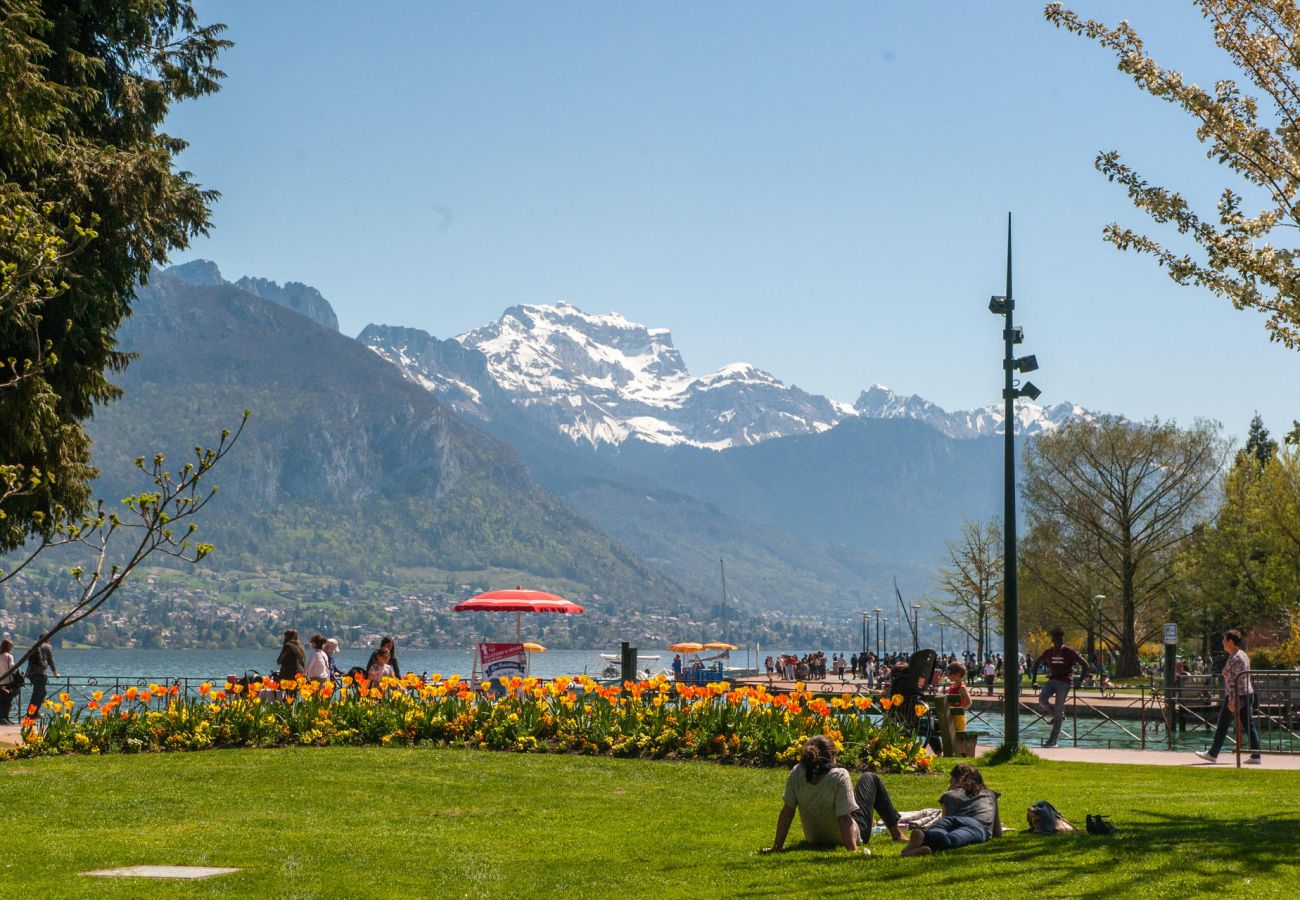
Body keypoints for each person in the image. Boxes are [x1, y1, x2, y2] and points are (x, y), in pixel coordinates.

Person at [761, 735, 906, 855]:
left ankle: (895, 832)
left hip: (814, 838)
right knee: (869, 778)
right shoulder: (839, 776)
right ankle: (897, 835)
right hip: (850, 835)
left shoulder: (797, 772)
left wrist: (777, 847)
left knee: (853, 799)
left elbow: (787, 813)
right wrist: (853, 850)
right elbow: (844, 818)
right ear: (830, 756)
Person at [901, 763, 1003, 857]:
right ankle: (921, 842)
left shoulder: (950, 795)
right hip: (975, 826)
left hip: (951, 820)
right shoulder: (990, 794)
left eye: (951, 780)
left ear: (957, 781)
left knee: (938, 830)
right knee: (951, 840)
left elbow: (944, 819)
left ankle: (923, 836)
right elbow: (997, 832)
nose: (949, 783)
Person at [1196, 629, 1261, 764]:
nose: (1223, 642)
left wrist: (1232, 699)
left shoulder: (1234, 659)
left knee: (1223, 724)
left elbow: (1233, 681)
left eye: (1224, 640)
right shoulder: (1243, 655)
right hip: (1247, 694)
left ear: (1230, 642)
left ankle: (1213, 754)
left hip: (1237, 695)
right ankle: (1256, 755)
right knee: (1249, 725)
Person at [1030, 627, 1089, 748]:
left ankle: (1053, 740)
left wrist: (1080, 682)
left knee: (1058, 709)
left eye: (1060, 639)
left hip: (1064, 682)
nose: (1058, 641)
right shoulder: (1049, 652)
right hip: (1052, 681)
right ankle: (1059, 716)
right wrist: (1034, 681)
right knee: (1042, 700)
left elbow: (1085, 665)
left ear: (1062, 640)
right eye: (1056, 638)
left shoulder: (1069, 652)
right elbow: (1036, 663)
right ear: (1052, 640)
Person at [24, 634, 58, 717]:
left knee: (42, 692)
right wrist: (55, 673)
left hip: (31, 674)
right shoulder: (48, 646)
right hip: (41, 673)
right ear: (48, 639)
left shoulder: (35, 646)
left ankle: (34, 712)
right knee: (37, 695)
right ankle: (30, 715)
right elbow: (50, 660)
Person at [945, 662, 972, 734]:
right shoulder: (952, 686)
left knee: (959, 735)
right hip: (951, 715)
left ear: (958, 674)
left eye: (949, 674)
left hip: (959, 717)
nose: (947, 676)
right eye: (947, 674)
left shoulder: (962, 687)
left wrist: (959, 709)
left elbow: (969, 702)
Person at [0, 639, 18, 724]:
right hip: (7, 682)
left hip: (0, 682)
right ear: (8, 647)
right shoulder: (9, 656)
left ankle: (2, 718)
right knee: (7, 702)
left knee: (1, 701)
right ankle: (6, 718)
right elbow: (12, 667)